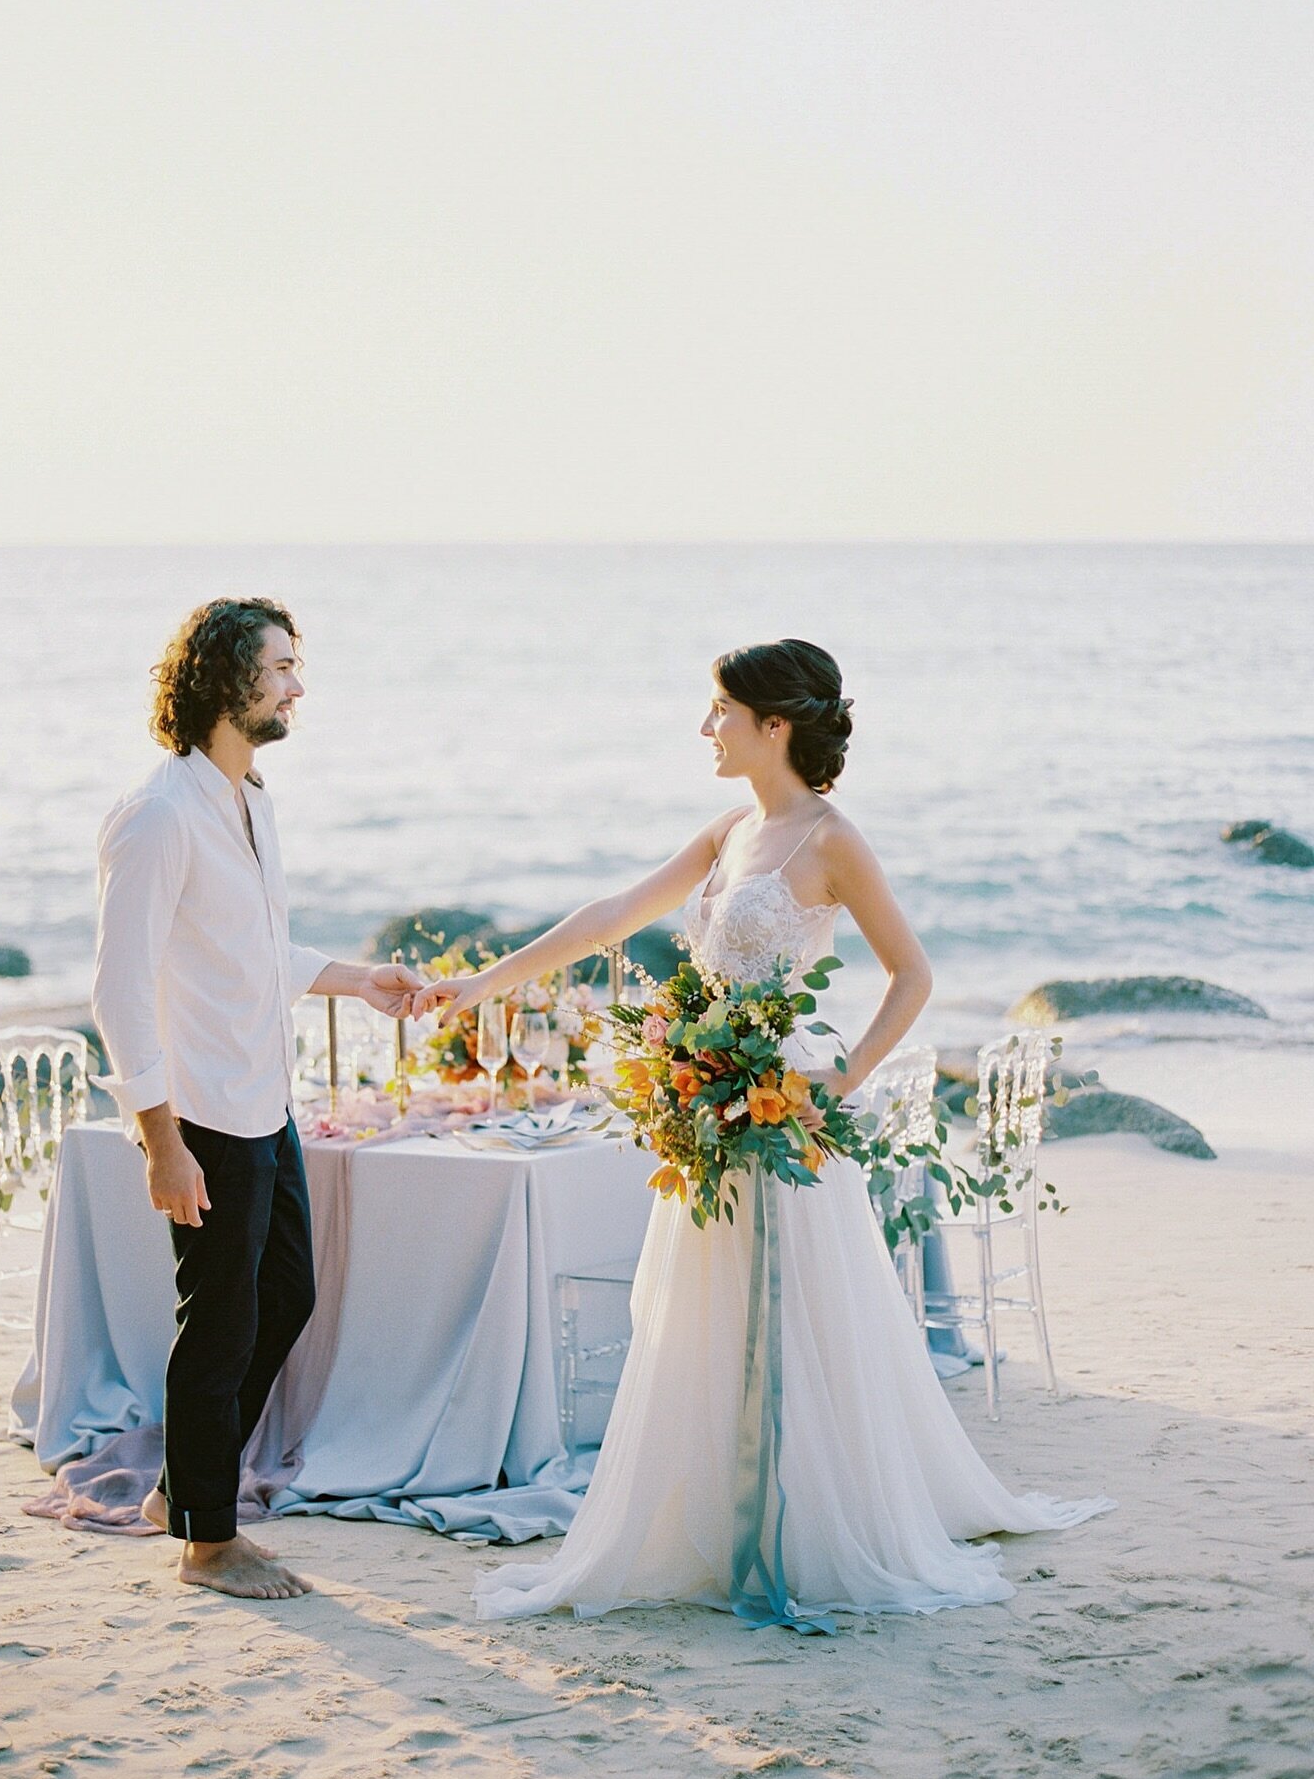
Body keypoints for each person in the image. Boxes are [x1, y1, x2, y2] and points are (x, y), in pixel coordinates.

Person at [414, 637, 1113, 1631]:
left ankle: (802, 1525)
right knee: (707, 1321)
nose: (706, 728)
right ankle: (712, 1518)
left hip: (787, 1125)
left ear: (772, 725)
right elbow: (612, 914)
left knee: (791, 1320)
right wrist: (481, 984)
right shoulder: (730, 831)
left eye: (719, 711)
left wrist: (846, 1072)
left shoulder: (830, 839)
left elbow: (912, 974)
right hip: (711, 1122)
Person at [92, 597, 422, 1600]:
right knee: (222, 1322)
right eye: (280, 667)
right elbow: (118, 987)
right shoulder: (158, 816)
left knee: (287, 1297)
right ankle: (206, 1540)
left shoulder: (249, 800)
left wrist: (356, 979)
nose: (296, 684)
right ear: (226, 681)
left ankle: (183, 1490)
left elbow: (250, 952)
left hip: (264, 1102)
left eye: (294, 665)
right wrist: (160, 1143)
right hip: (200, 1115)